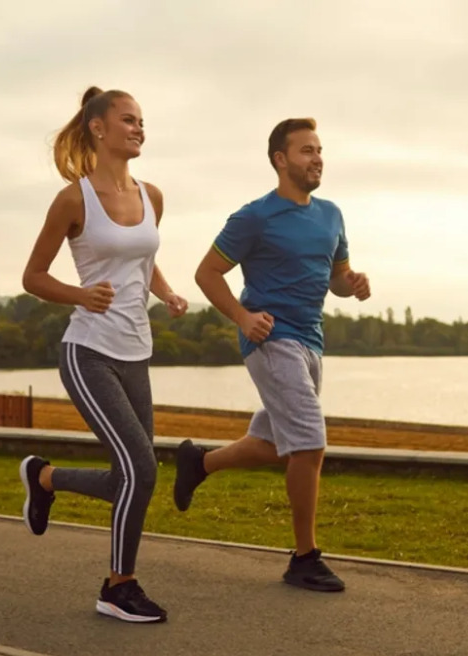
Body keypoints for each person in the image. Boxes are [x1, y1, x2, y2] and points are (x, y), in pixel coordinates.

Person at [174, 117, 370, 592]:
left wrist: (353, 284)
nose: (317, 158)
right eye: (306, 150)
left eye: (319, 150)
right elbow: (207, 273)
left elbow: (336, 278)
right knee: (309, 444)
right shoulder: (254, 217)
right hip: (270, 340)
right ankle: (304, 558)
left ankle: (199, 464)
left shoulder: (331, 215)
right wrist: (243, 318)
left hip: (311, 341)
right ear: (280, 160)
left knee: (273, 443)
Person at [17, 86, 188, 624]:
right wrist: (80, 294)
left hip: (136, 351)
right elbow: (32, 277)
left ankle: (44, 480)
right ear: (98, 127)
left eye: (142, 121)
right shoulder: (75, 199)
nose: (139, 128)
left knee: (130, 475)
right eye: (129, 120)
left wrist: (166, 292)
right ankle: (119, 586)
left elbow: (140, 257)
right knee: (141, 469)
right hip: (88, 351)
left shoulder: (151, 195)